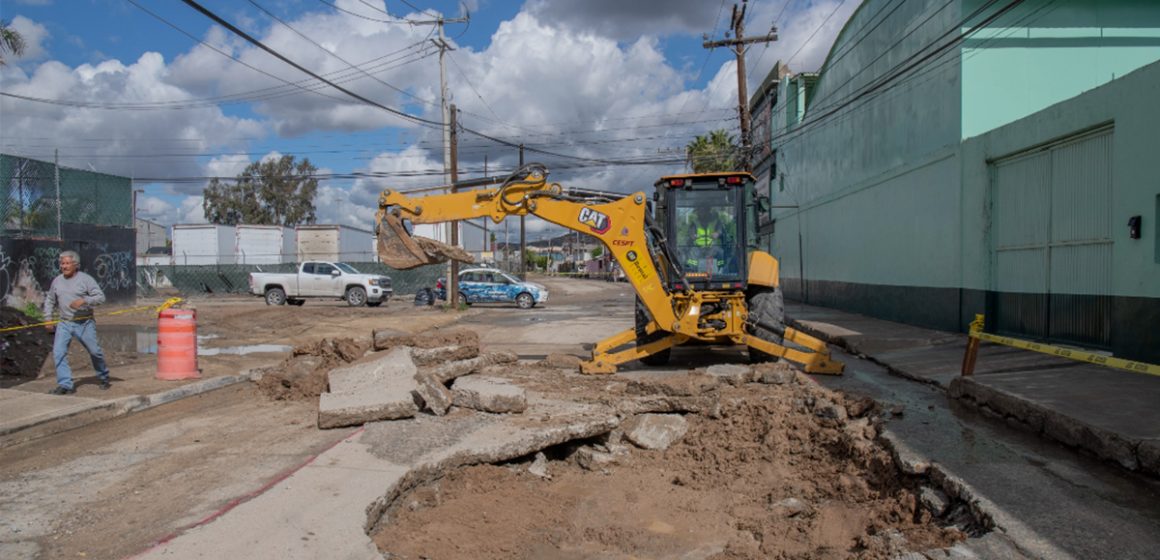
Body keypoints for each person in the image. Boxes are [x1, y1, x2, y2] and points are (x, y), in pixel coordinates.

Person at [43, 250, 111, 394]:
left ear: (76, 265)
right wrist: (48, 318)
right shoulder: (57, 281)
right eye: (62, 263)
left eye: (67, 263)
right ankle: (65, 385)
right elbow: (50, 300)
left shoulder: (86, 280)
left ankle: (103, 376)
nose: (64, 266)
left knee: (95, 352)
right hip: (64, 323)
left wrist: (84, 301)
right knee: (58, 352)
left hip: (84, 323)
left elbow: (100, 297)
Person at [681, 205, 735, 274]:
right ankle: (693, 271)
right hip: (698, 247)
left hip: (713, 247)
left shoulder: (716, 222)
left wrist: (717, 233)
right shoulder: (694, 223)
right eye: (699, 211)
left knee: (720, 252)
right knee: (692, 253)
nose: (701, 213)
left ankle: (720, 271)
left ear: (708, 211)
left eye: (703, 211)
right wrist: (693, 235)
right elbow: (691, 233)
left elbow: (720, 231)